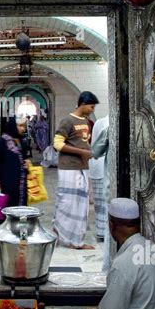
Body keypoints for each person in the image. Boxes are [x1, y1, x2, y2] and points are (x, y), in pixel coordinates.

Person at [52, 91, 99, 249]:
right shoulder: (67, 120)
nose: (93, 110)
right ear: (83, 104)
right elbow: (57, 144)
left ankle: (76, 239)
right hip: (69, 168)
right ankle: (61, 235)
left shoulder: (86, 122)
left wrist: (89, 152)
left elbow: (84, 143)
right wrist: (82, 152)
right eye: (91, 106)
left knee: (81, 205)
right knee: (66, 203)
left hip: (82, 167)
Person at [0, 116, 29, 235]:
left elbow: (22, 157)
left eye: (24, 125)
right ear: (13, 126)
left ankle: (19, 228)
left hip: (21, 180)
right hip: (8, 180)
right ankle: (5, 229)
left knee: (21, 203)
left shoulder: (21, 140)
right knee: (7, 204)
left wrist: (26, 163)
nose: (23, 128)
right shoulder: (3, 140)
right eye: (20, 125)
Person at [91, 120, 111, 271]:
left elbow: (96, 151)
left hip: (112, 182)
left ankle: (109, 266)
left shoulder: (107, 125)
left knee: (112, 223)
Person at [89, 115, 109, 242]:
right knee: (103, 201)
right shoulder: (102, 123)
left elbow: (95, 149)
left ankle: (102, 231)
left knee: (102, 202)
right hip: (101, 165)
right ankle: (103, 231)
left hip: (99, 164)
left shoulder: (101, 123)